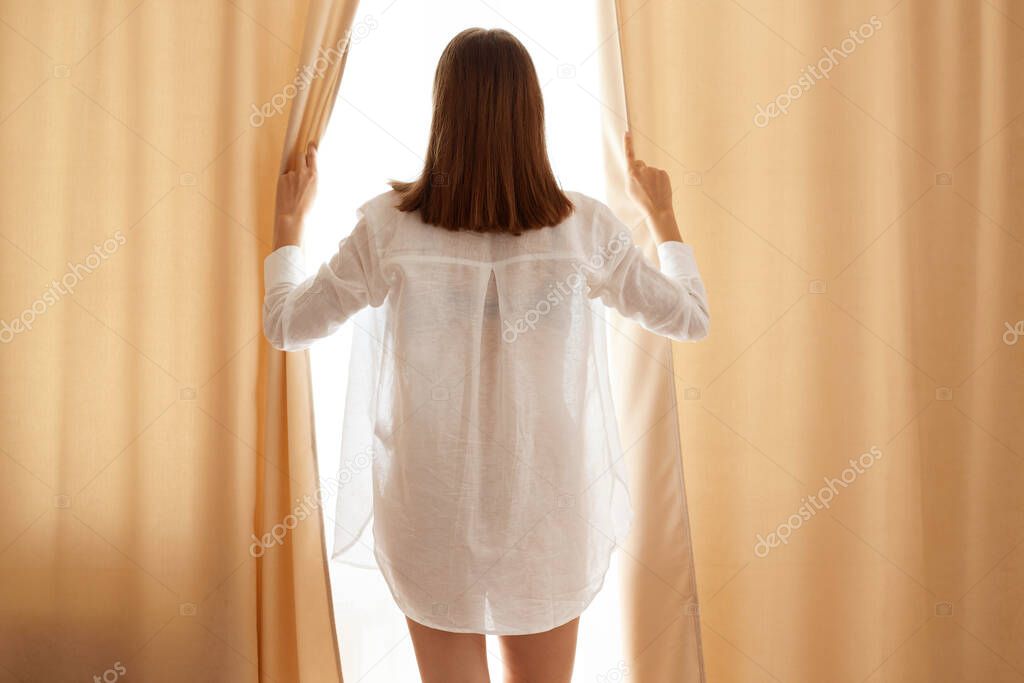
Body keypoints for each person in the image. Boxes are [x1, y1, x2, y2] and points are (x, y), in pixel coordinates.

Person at [263, 27, 709, 683]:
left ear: (443, 114)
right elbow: (689, 318)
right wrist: (663, 218)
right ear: (533, 115)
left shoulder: (388, 227)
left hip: (430, 506)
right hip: (548, 509)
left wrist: (286, 230)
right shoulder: (584, 228)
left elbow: (287, 325)